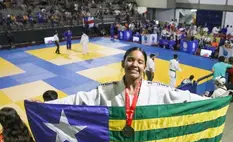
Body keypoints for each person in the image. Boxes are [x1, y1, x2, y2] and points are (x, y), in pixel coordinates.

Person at [45, 47, 209, 107]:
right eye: (130, 60)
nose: (134, 64)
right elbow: (79, 99)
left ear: (145, 66)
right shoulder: (106, 91)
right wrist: (50, 104)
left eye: (139, 61)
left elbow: (183, 96)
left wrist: (212, 101)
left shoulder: (157, 90)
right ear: (123, 63)